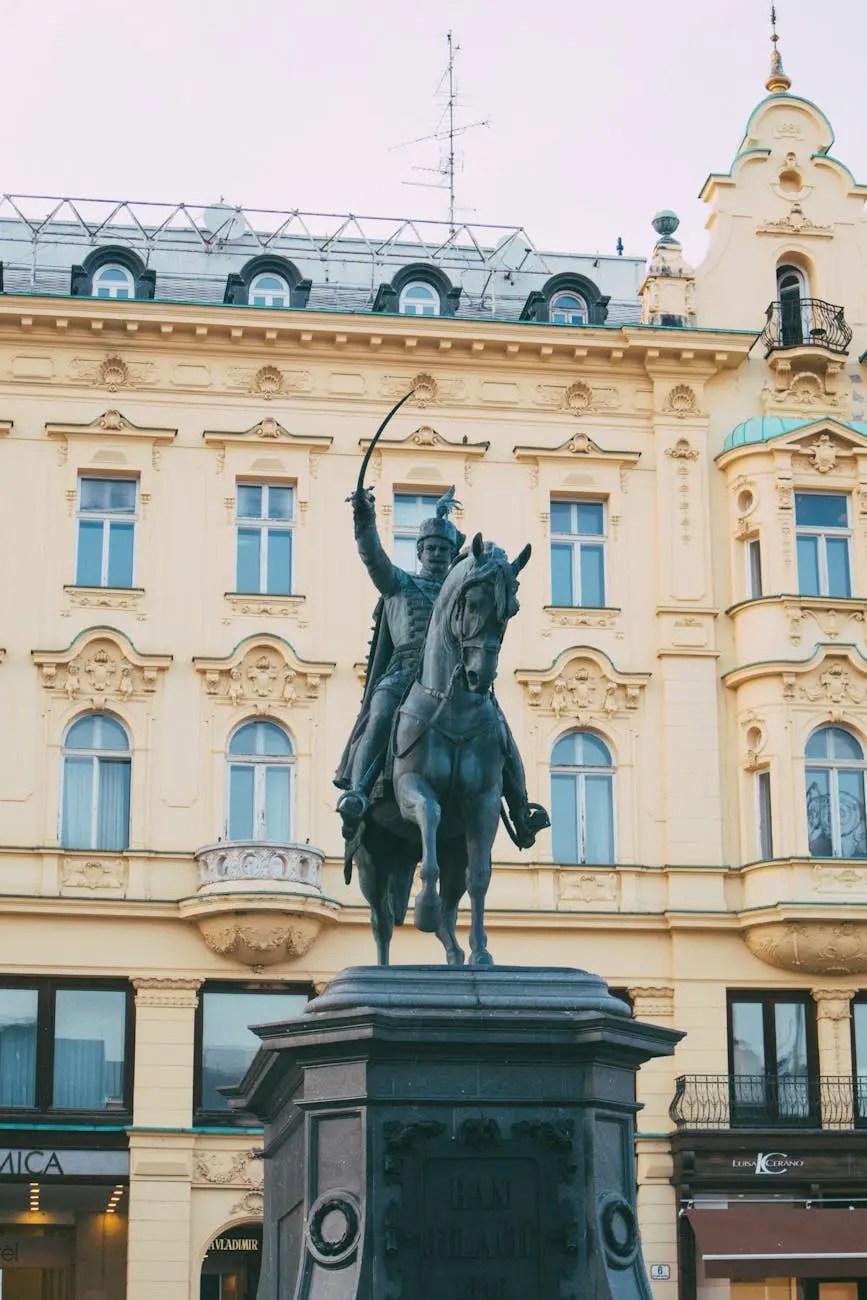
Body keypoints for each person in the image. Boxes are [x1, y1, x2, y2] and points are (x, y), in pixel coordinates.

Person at [335, 485, 548, 849]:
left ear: (453, 555)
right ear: (419, 551)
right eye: (430, 549)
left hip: (453, 679)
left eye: (444, 550)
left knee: (497, 723)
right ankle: (358, 791)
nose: (436, 555)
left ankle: (520, 808)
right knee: (382, 708)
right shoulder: (399, 583)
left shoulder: (462, 590)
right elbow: (372, 556)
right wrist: (363, 517)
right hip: (403, 674)